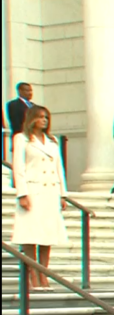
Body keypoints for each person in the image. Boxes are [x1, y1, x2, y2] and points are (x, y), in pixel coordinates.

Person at [11, 105, 68, 291]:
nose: (44, 120)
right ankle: (33, 275)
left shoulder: (52, 142)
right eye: (41, 117)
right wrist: (22, 193)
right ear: (32, 118)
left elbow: (59, 169)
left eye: (46, 118)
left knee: (47, 236)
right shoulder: (22, 139)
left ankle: (44, 275)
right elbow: (18, 167)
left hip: (50, 192)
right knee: (30, 235)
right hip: (33, 191)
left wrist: (62, 194)